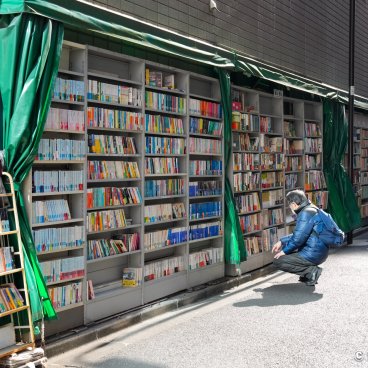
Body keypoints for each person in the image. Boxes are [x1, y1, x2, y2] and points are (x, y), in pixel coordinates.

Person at [272, 189, 328, 286]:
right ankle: (307, 273)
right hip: (320, 251)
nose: (290, 208)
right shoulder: (312, 209)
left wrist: (283, 251)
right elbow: (301, 233)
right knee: (290, 253)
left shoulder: (305, 213)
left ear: (293, 204)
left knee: (278, 261)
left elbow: (298, 239)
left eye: (289, 205)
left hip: (313, 253)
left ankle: (311, 271)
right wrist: (282, 241)